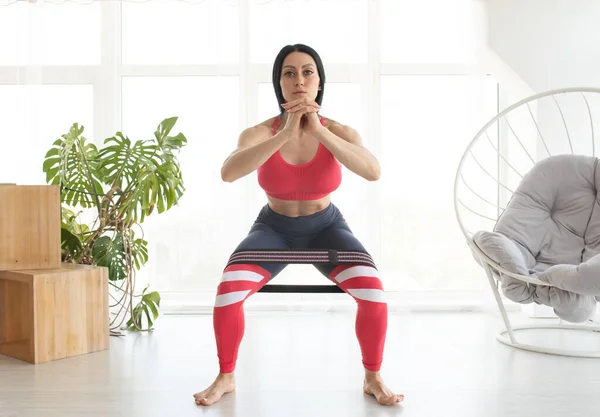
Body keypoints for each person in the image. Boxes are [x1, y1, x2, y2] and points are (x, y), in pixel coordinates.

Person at [193, 44, 403, 406]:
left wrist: (319, 131)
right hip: (273, 230)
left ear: (319, 82)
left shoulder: (340, 131)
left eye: (308, 72)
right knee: (228, 291)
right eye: (289, 73)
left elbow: (373, 172)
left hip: (326, 229)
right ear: (280, 84)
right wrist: (284, 136)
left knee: (372, 291)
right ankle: (225, 377)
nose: (299, 81)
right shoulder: (259, 133)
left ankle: (373, 377)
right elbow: (228, 173)